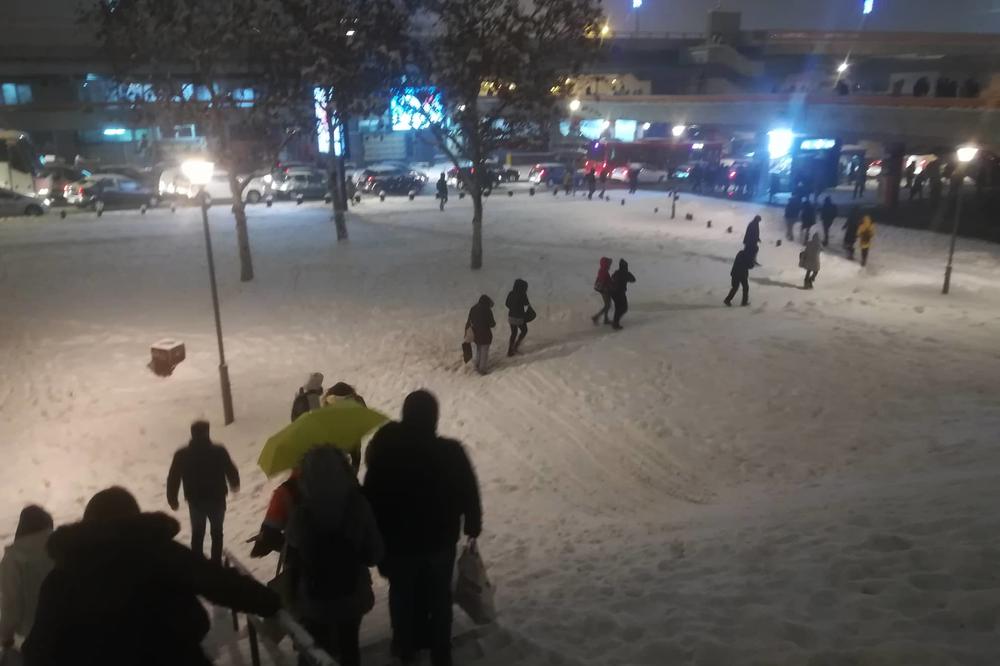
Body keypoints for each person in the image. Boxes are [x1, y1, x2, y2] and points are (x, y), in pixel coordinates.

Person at [23, 487, 279, 666]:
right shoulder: (159, 551)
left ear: (88, 522)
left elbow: (38, 650)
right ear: (135, 515)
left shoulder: (63, 573)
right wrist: (269, 601)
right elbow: (219, 583)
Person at [364, 390, 482, 666]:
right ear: (433, 418)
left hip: (397, 545)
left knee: (403, 594)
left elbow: (371, 495)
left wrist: (374, 537)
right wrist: (473, 523)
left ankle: (406, 648)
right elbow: (468, 490)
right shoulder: (450, 452)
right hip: (439, 541)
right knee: (439, 596)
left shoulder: (386, 452)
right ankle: (441, 652)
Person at [291, 446, 383, 666]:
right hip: (352, 595)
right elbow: (375, 553)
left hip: (315, 600)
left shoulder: (301, 512)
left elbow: (293, 552)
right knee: (350, 647)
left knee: (317, 650)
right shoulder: (357, 504)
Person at [167, 420, 240, 564]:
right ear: (207, 432)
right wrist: (234, 483)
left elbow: (173, 478)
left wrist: (172, 498)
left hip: (196, 502)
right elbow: (230, 469)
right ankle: (216, 564)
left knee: (198, 534)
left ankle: (197, 563)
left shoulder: (182, 454)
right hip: (217, 499)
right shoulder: (218, 451)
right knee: (217, 533)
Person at [1, 506, 54, 651]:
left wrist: (6, 637)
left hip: (34, 636)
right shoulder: (63, 548)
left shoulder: (13, 558)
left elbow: (11, 603)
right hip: (71, 630)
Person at [322, 382, 370, 472]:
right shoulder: (357, 400)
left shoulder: (328, 402)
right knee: (355, 461)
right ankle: (352, 479)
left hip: (335, 440)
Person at [466, 295, 495, 375]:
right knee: (484, 352)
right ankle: (482, 370)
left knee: (479, 350)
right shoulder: (487, 310)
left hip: (476, 333)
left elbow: (470, 320)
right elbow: (492, 324)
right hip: (485, 334)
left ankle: (476, 365)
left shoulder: (473, 308)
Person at [505, 279, 532, 357]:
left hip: (511, 316)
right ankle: (516, 346)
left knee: (513, 333)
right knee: (524, 330)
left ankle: (510, 351)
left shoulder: (511, 293)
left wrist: (512, 307)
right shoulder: (523, 294)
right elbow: (526, 303)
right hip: (519, 317)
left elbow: (507, 304)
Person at [610, 259, 636, 330]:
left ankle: (615, 322)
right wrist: (628, 273)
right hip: (619, 293)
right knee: (624, 308)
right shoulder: (625, 273)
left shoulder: (617, 272)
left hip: (613, 293)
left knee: (618, 308)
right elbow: (633, 279)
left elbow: (612, 278)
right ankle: (615, 323)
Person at [591, 257, 613, 325]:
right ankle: (596, 317)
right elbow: (603, 281)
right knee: (607, 305)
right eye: (609, 263)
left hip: (605, 290)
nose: (610, 265)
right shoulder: (603, 271)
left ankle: (605, 319)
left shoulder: (603, 270)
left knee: (608, 305)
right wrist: (608, 287)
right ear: (605, 264)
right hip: (605, 290)